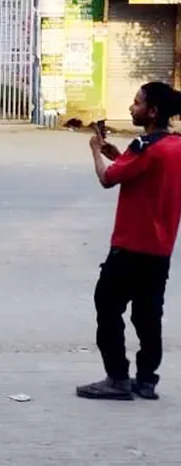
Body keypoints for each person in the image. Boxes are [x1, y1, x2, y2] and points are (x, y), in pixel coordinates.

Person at [78, 83, 181, 401]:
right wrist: (119, 156)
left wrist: (97, 152)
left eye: (137, 103)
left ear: (152, 112)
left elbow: (108, 179)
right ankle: (147, 379)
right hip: (160, 248)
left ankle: (117, 378)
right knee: (148, 314)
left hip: (129, 246)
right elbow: (148, 174)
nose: (131, 108)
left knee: (107, 306)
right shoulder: (174, 146)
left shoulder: (143, 146)